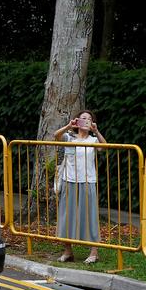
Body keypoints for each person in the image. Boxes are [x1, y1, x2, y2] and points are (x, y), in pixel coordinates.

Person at [52, 110, 106, 264]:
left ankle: (94, 252)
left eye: (89, 119)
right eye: (83, 118)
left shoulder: (93, 140)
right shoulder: (69, 137)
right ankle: (68, 251)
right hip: (69, 181)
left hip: (88, 181)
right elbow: (56, 136)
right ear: (77, 121)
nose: (86, 121)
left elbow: (105, 147)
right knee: (66, 216)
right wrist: (69, 125)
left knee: (89, 216)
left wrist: (97, 131)